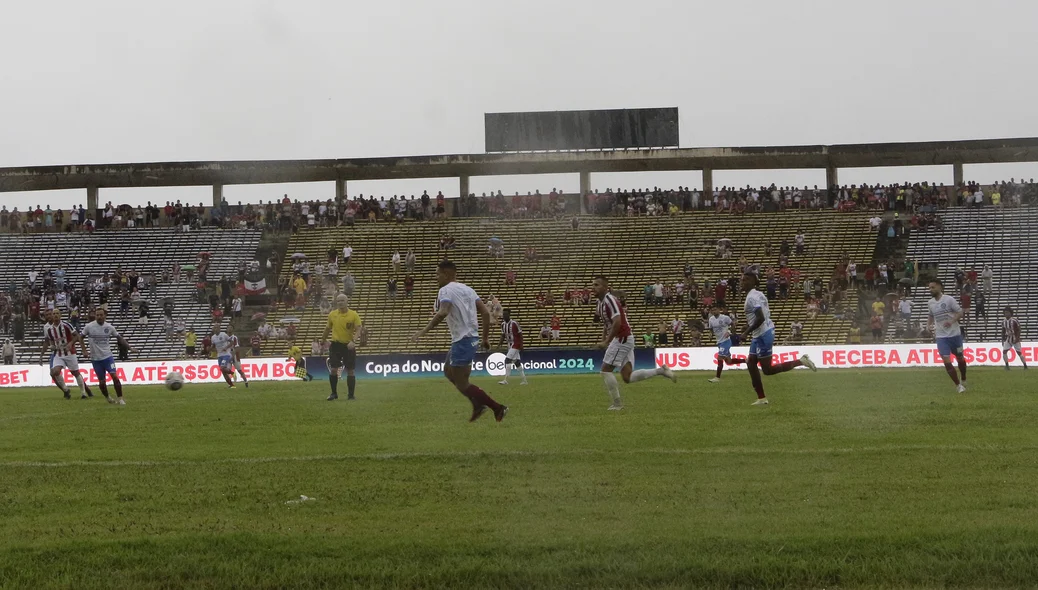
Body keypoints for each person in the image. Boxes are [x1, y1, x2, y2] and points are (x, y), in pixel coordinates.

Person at [411, 260, 507, 422]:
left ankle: (497, 408)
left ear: (447, 274)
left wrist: (423, 331)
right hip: (467, 339)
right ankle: (478, 406)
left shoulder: (445, 290)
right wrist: (484, 338)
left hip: (463, 340)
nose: (436, 278)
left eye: (438, 274)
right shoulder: (468, 290)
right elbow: (484, 313)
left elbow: (443, 312)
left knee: (462, 383)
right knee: (448, 372)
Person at [592, 275, 675, 411]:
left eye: (597, 285)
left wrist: (607, 341)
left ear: (606, 288)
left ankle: (617, 404)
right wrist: (604, 338)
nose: (593, 287)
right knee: (627, 377)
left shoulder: (609, 300)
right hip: (625, 338)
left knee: (605, 371)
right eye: (593, 284)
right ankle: (661, 371)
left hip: (621, 339)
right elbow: (607, 323)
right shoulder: (601, 303)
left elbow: (617, 321)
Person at [739, 271, 816, 406]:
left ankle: (801, 361)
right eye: (742, 279)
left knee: (767, 370)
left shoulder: (751, 297)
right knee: (751, 363)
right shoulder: (759, 294)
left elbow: (761, 317)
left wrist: (746, 331)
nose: (742, 282)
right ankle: (762, 398)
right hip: (760, 333)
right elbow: (762, 314)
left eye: (746, 280)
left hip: (763, 334)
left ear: (753, 282)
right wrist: (749, 326)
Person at [80, 308, 135, 405]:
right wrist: (84, 350)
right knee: (102, 382)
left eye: (101, 315)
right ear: (95, 316)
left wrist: (130, 348)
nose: (99, 317)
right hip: (96, 359)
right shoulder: (89, 326)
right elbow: (80, 337)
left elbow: (120, 338)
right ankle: (108, 397)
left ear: (105, 316)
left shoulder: (109, 327)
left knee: (114, 376)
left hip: (108, 357)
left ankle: (120, 398)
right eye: (97, 315)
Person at [41, 310, 94, 400]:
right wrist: (52, 346)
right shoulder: (50, 329)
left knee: (75, 373)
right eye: (54, 314)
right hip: (59, 353)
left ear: (60, 315)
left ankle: (83, 393)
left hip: (70, 353)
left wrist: (71, 343)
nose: (55, 315)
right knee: (55, 372)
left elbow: (77, 335)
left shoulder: (66, 325)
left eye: (57, 313)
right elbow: (50, 341)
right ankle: (66, 389)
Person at [927, 280, 968, 392]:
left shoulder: (949, 299)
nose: (931, 290)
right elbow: (930, 316)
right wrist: (928, 326)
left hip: (955, 335)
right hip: (941, 337)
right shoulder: (930, 303)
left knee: (960, 358)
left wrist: (951, 321)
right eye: (929, 288)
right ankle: (958, 386)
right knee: (946, 359)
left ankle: (963, 378)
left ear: (940, 287)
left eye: (933, 287)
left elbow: (960, 312)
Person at [321, 293, 362, 401]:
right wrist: (323, 340)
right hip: (335, 345)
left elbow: (358, 329)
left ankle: (351, 395)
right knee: (333, 369)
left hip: (348, 345)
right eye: (338, 301)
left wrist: (353, 341)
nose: (340, 303)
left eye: (342, 300)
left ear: (347, 301)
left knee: (350, 370)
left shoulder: (353, 314)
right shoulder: (332, 314)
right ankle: (334, 393)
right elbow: (327, 329)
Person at [707, 305, 745, 383]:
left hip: (726, 341)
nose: (714, 311)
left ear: (719, 310)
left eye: (715, 309)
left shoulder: (725, 318)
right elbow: (711, 329)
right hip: (719, 342)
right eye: (712, 310)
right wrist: (710, 334)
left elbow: (733, 324)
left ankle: (717, 378)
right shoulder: (711, 319)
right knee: (729, 361)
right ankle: (746, 361)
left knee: (720, 358)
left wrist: (729, 332)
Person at [499, 309, 528, 386]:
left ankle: (505, 380)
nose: (504, 316)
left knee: (507, 360)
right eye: (503, 314)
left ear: (509, 315)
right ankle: (524, 380)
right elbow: (503, 335)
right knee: (516, 362)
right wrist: (499, 344)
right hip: (509, 345)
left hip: (516, 344)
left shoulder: (514, 323)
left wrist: (521, 345)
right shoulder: (503, 324)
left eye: (505, 314)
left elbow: (520, 334)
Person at [1001, 307, 1028, 371]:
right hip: (1008, 338)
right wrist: (1003, 339)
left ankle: (1025, 365)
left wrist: (1017, 338)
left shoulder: (1014, 320)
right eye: (1005, 313)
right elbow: (1003, 330)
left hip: (1015, 338)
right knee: (1004, 352)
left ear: (1011, 313)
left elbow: (1019, 329)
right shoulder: (1003, 321)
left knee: (1019, 353)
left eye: (1008, 312)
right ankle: (1007, 366)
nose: (1006, 314)